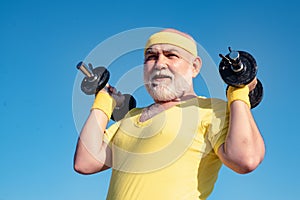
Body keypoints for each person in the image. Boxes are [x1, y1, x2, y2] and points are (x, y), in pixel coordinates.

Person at [73, 28, 265, 200]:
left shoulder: (212, 109)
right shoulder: (130, 118)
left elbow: (246, 159)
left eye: (171, 55)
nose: (159, 64)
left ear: (195, 67)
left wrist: (238, 92)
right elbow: (85, 162)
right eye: (151, 57)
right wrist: (104, 100)